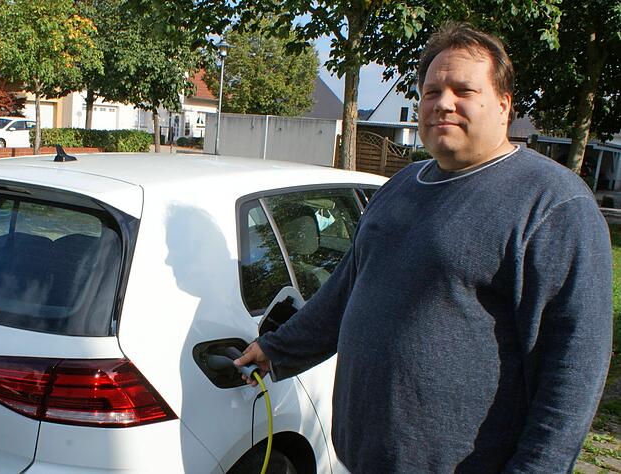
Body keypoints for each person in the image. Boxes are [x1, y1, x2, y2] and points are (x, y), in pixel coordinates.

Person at [235, 22, 612, 473]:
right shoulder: (401, 186)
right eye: (431, 92)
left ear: (504, 105)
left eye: (463, 90)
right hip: (363, 459)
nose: (443, 103)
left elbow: (573, 367)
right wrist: (278, 349)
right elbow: (345, 291)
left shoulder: (552, 203)